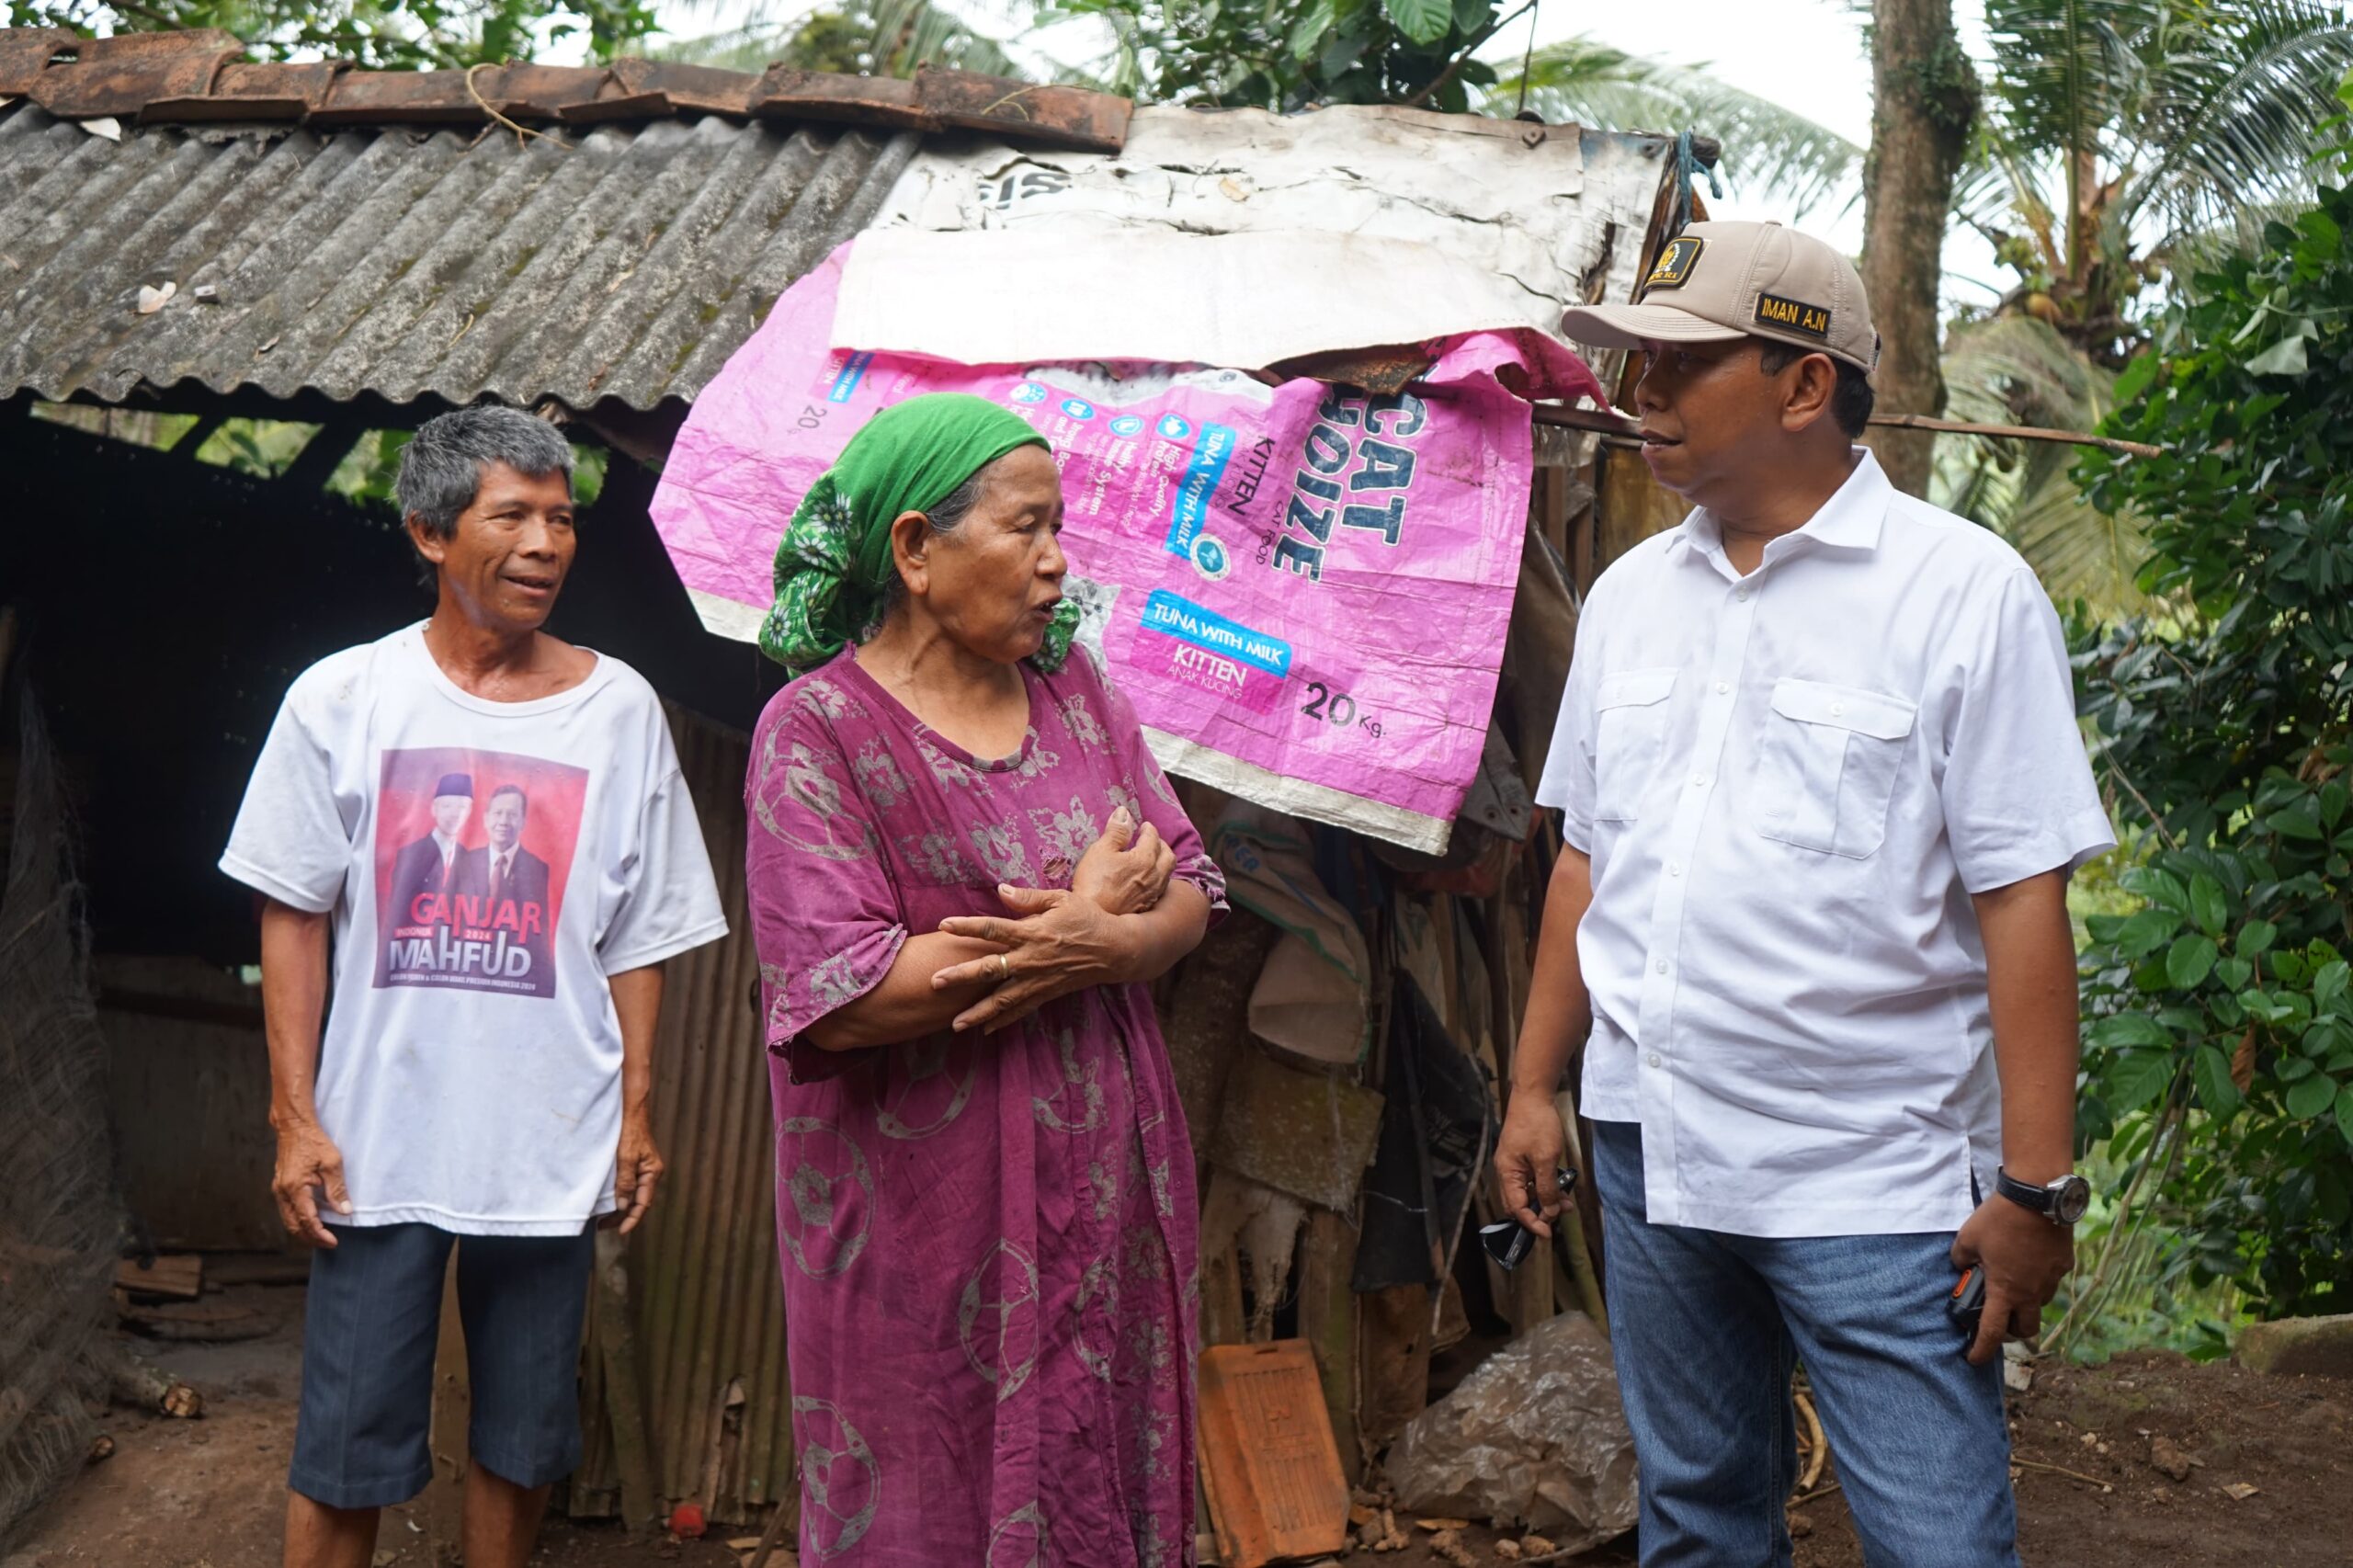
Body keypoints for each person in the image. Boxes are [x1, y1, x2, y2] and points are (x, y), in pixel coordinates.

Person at [1495, 222, 2114, 1568]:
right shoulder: (1627, 600)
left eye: (1677, 367)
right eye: (1633, 368)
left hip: (1870, 1173)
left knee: (1938, 1542)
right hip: (1654, 1148)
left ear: (1803, 385)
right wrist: (1538, 1084)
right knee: (1702, 1517)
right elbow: (1590, 860)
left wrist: (2036, 1187)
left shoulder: (1962, 595)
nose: (1637, 398)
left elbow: (2023, 897)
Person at [221, 406, 729, 1568]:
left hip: (547, 1138)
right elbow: (290, 911)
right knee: (342, 1448)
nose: (547, 542)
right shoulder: (343, 698)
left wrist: (636, 1112)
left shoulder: (619, 709)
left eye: (561, 517)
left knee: (526, 1437)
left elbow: (637, 933)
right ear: (431, 533)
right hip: (376, 1141)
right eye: (513, 515)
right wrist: (295, 1116)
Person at [743, 393, 1222, 1565]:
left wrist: (1114, 942)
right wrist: (1085, 921)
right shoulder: (816, 732)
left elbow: (1193, 884)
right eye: (1026, 528)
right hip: (920, 1225)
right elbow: (842, 990)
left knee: (1094, 1472)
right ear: (914, 548)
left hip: (1104, 1196)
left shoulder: (1079, 694)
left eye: (1059, 527)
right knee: (928, 1492)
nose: (1059, 563)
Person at [454, 782, 554, 978]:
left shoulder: (539, 870)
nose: (504, 821)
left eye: (512, 814)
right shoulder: (464, 862)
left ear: (523, 822)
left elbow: (538, 939)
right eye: (498, 813)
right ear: (485, 819)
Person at [384, 771, 473, 931]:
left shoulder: (469, 857)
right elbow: (398, 910)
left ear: (469, 811)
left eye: (462, 807)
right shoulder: (411, 854)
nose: (455, 814)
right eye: (447, 806)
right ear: (434, 809)